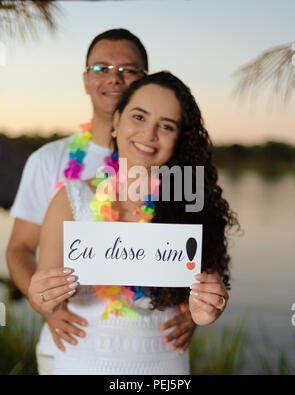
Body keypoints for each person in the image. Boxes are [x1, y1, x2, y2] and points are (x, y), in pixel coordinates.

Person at [6, 29, 197, 373]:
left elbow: (199, 253)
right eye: (101, 68)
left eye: (128, 70)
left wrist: (195, 311)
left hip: (156, 348)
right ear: (85, 79)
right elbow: (19, 247)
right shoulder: (49, 159)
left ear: (145, 81)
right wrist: (46, 306)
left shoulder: (174, 169)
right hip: (70, 342)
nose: (114, 77)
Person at [28, 71, 237, 375]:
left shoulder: (193, 205)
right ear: (116, 121)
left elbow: (207, 297)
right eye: (139, 117)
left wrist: (208, 308)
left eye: (166, 126)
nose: (149, 134)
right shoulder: (71, 197)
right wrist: (41, 296)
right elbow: (45, 300)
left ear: (179, 139)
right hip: (79, 360)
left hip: (165, 363)